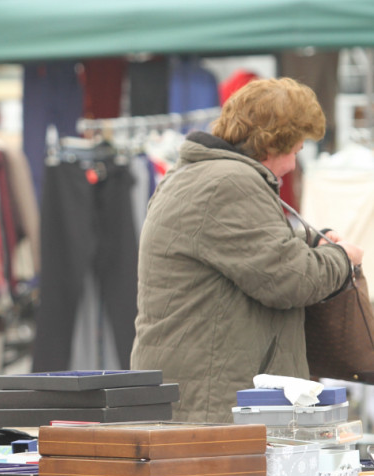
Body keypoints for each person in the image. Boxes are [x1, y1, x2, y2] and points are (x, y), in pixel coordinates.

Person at [130, 77, 364, 423]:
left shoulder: (198, 176)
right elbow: (288, 279)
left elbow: (250, 257)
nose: (293, 166)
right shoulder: (229, 183)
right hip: (212, 405)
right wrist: (343, 258)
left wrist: (309, 244)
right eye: (295, 151)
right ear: (272, 143)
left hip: (199, 395)